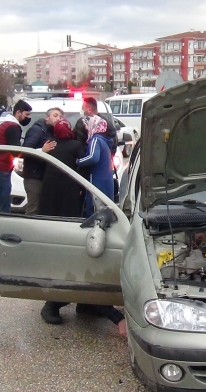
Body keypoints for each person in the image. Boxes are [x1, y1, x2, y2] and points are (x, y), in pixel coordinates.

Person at [39, 115, 127, 337]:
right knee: (75, 263)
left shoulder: (82, 146)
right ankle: (55, 303)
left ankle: (86, 303)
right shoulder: (90, 146)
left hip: (71, 212)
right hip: (76, 213)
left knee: (81, 260)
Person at [0, 100, 32, 213]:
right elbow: (16, 151)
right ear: (18, 112)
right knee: (3, 207)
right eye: (26, 114)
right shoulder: (13, 126)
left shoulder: (3, 123)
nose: (28, 118)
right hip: (1, 169)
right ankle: (2, 228)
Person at [21, 107, 63, 214]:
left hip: (45, 177)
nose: (58, 118)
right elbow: (24, 151)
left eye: (60, 116)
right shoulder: (37, 130)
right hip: (34, 177)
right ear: (47, 117)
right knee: (33, 209)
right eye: (55, 115)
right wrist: (42, 151)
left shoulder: (52, 132)